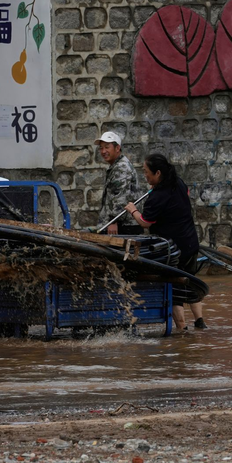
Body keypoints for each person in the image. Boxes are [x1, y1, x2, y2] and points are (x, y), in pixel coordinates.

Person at [123, 153, 207, 331]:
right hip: (191, 242)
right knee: (190, 282)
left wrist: (133, 210)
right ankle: (200, 322)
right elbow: (186, 194)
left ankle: (182, 331)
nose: (145, 175)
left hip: (174, 250)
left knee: (174, 289)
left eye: (146, 172)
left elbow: (145, 222)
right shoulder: (179, 182)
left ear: (158, 173)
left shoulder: (157, 197)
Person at [95, 131, 140, 235]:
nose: (103, 151)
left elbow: (121, 196)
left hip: (123, 225)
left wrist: (113, 221)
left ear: (117, 148)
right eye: (101, 148)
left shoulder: (121, 167)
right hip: (121, 224)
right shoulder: (116, 166)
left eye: (107, 147)